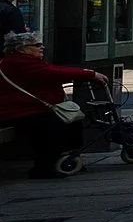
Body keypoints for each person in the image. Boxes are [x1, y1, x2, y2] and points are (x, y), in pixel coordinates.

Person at [0, 32, 104, 177]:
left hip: (30, 109)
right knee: (51, 125)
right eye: (36, 45)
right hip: (20, 111)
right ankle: (44, 167)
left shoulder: (26, 61)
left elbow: (50, 73)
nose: (42, 47)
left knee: (72, 119)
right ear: (21, 48)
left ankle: (67, 158)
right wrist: (89, 74)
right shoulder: (18, 63)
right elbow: (52, 73)